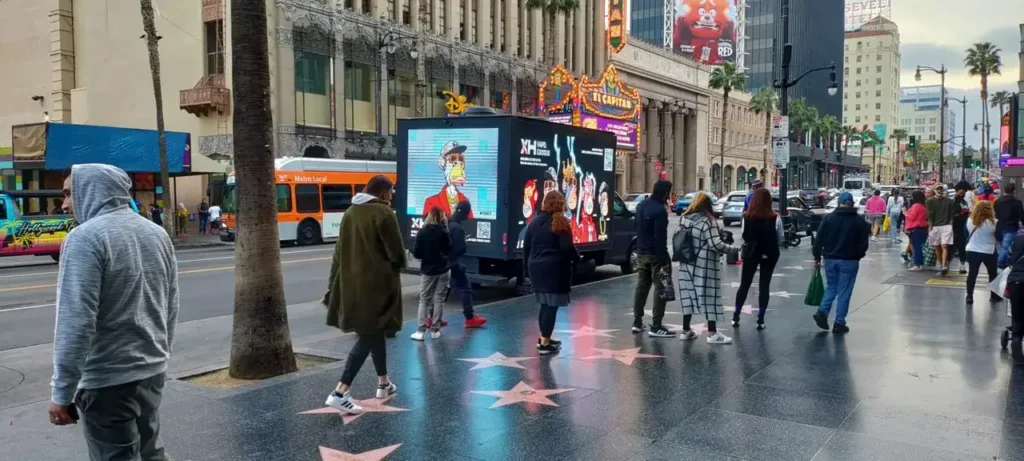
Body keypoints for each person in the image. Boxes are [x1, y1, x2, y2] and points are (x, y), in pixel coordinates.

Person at [48, 164, 179, 460]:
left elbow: (76, 322)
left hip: (107, 381)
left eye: (69, 193)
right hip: (151, 372)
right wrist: (160, 355)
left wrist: (62, 393)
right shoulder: (156, 234)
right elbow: (170, 305)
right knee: (150, 452)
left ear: (91, 190)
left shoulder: (85, 238)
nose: (65, 204)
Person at [323, 175, 405, 415]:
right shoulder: (384, 214)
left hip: (352, 283)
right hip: (378, 285)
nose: (391, 196)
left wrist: (331, 287)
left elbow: (338, 253)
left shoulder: (350, 212)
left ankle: (383, 383)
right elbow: (397, 254)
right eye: (390, 192)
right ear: (382, 192)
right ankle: (340, 391)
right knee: (369, 335)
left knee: (374, 331)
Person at [678, 191, 740, 344]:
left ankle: (686, 330)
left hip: (686, 263)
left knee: (688, 296)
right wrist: (734, 249)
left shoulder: (684, 218)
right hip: (704, 265)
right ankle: (712, 333)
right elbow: (715, 245)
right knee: (710, 297)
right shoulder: (707, 221)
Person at [523, 191, 581, 354]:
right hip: (554, 269)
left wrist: (525, 271)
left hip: (535, 268)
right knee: (551, 307)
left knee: (544, 305)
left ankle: (544, 337)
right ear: (561, 205)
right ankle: (544, 344)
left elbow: (526, 249)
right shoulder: (561, 222)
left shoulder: (534, 223)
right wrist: (577, 259)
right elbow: (567, 248)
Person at [813, 192, 870, 333]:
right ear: (852, 203)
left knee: (831, 287)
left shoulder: (829, 218)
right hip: (849, 260)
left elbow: (819, 239)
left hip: (830, 258)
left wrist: (817, 256)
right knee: (844, 291)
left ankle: (822, 311)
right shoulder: (859, 221)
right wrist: (859, 255)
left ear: (839, 202)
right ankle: (839, 322)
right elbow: (864, 243)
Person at [732, 187, 782, 330]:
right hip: (769, 253)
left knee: (744, 284)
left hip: (751, 253)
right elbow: (779, 237)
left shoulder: (746, 217)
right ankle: (760, 318)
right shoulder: (775, 217)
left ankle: (736, 315)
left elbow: (744, 235)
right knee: (764, 285)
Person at [631, 180, 675, 337]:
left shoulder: (641, 205)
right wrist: (664, 258)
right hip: (656, 254)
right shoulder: (660, 211)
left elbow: (636, 226)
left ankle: (637, 322)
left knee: (641, 287)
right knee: (660, 288)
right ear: (665, 193)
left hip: (641, 252)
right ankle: (656, 325)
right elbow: (660, 237)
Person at [411, 206, 451, 341]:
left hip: (428, 270)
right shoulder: (445, 232)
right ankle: (435, 330)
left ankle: (420, 331)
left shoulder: (422, 232)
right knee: (439, 299)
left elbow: (417, 252)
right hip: (443, 269)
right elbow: (449, 250)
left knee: (424, 300)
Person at [448, 201, 488, 329]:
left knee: (442, 292)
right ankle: (470, 318)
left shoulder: (448, 223)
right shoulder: (458, 228)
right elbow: (460, 249)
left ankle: (431, 318)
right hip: (454, 262)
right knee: (465, 288)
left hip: (444, 262)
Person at [964, 201, 1001, 305]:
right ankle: (993, 296)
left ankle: (969, 296)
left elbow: (965, 233)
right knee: (992, 274)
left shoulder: (970, 221)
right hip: (989, 251)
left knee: (972, 273)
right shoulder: (995, 222)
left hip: (973, 250)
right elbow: (999, 237)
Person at [926, 185, 956, 275]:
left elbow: (951, 214)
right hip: (934, 226)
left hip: (946, 226)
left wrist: (950, 223)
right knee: (937, 247)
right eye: (938, 189)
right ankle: (941, 265)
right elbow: (929, 214)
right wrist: (930, 225)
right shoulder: (929, 201)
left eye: (941, 189)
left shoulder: (949, 201)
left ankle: (944, 266)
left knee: (944, 246)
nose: (939, 190)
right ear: (934, 190)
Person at [994, 183, 1024, 268]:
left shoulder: (997, 202)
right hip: (1011, 228)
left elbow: (996, 215)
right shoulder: (1017, 203)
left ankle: (1003, 264)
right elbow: (1021, 216)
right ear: (1014, 191)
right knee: (1006, 248)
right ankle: (999, 265)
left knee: (1001, 248)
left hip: (999, 227)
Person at [1004, 232, 1024, 353]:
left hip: (1015, 281)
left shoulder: (1017, 239)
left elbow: (1007, 258)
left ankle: (1016, 337)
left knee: (1016, 311)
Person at [904, 190, 929, 271]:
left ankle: (917, 264)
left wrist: (905, 213)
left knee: (916, 247)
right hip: (923, 228)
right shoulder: (923, 206)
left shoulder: (916, 206)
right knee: (919, 247)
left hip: (915, 229)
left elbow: (911, 217)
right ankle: (920, 264)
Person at [952, 181, 973, 274]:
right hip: (953, 226)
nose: (962, 194)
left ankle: (962, 264)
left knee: (962, 246)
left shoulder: (964, 202)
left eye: (964, 193)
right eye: (961, 193)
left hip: (962, 227)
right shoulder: (952, 201)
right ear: (956, 192)